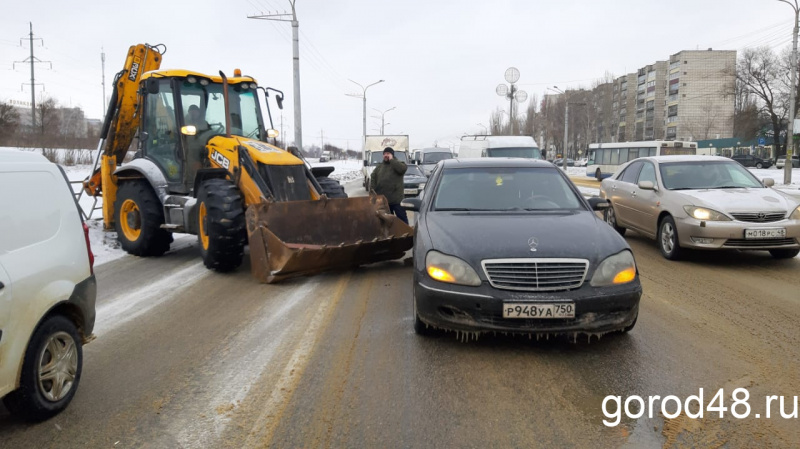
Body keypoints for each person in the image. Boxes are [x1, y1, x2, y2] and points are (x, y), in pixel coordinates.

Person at [370, 147, 409, 224]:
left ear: (392, 155)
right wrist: (373, 190)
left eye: (388, 153)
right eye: (384, 154)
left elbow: (402, 169)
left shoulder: (398, 163)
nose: (385, 155)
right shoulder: (379, 167)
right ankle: (391, 235)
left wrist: (392, 160)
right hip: (384, 201)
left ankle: (407, 235)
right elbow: (373, 176)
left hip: (397, 200)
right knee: (387, 222)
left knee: (402, 221)